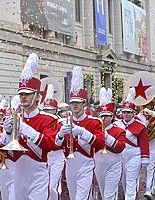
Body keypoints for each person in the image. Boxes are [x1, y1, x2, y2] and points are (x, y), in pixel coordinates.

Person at [2, 53, 58, 199]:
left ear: (37, 96)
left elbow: (49, 144)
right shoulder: (16, 118)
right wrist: (7, 132)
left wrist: (24, 128)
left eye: (27, 94)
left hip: (38, 173)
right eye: (21, 94)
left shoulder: (48, 119)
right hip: (18, 172)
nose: (23, 97)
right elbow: (6, 152)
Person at [55, 66, 104, 200]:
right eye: (72, 103)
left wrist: (82, 132)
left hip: (86, 163)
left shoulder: (94, 122)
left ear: (84, 104)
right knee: (73, 196)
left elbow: (100, 144)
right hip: (69, 165)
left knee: (82, 197)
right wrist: (59, 134)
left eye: (78, 103)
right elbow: (55, 146)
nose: (75, 105)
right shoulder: (62, 122)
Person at [117, 88, 149, 200]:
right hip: (120, 156)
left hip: (135, 155)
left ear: (133, 113)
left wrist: (144, 158)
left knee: (131, 180)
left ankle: (130, 198)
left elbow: (144, 144)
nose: (125, 114)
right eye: (124, 112)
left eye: (128, 112)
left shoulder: (140, 126)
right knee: (123, 181)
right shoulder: (117, 124)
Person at [94, 87, 126, 200]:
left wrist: (106, 136)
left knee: (109, 195)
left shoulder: (119, 130)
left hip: (114, 164)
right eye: (102, 116)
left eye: (106, 116)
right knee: (103, 193)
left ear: (112, 117)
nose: (104, 118)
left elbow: (120, 147)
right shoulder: (94, 129)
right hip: (98, 164)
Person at [42, 84, 65, 200]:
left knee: (53, 186)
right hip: (44, 156)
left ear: (55, 110)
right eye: (45, 110)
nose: (47, 112)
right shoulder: (41, 122)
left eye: (50, 110)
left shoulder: (61, 123)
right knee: (43, 186)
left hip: (56, 156)